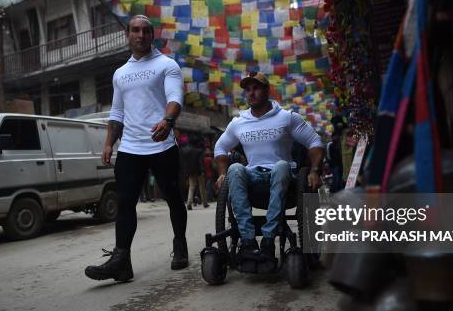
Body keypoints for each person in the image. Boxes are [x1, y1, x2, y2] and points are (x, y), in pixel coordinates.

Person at [85, 14, 188, 283]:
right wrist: (109, 142)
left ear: (152, 35)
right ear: (127, 35)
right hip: (130, 148)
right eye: (135, 30)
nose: (140, 35)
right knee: (125, 202)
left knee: (173, 197)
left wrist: (168, 120)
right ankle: (122, 261)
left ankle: (180, 244)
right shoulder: (120, 74)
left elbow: (175, 97)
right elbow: (117, 112)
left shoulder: (167, 65)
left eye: (145, 31)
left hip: (162, 144)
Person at [213, 71, 325, 266]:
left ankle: (267, 240)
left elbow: (315, 141)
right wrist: (222, 173)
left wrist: (315, 171)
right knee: (236, 169)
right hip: (253, 180)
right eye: (247, 90)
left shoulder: (287, 117)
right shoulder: (239, 122)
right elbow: (220, 147)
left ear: (267, 90)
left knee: (281, 166)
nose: (251, 93)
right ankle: (248, 242)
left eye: (256, 88)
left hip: (284, 180)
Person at [181, 137, 209, 210]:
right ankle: (205, 203)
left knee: (191, 187)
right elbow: (200, 163)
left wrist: (186, 172)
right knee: (202, 187)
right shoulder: (199, 151)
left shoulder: (186, 151)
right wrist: (202, 171)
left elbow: (186, 163)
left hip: (190, 172)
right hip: (199, 171)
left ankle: (189, 203)